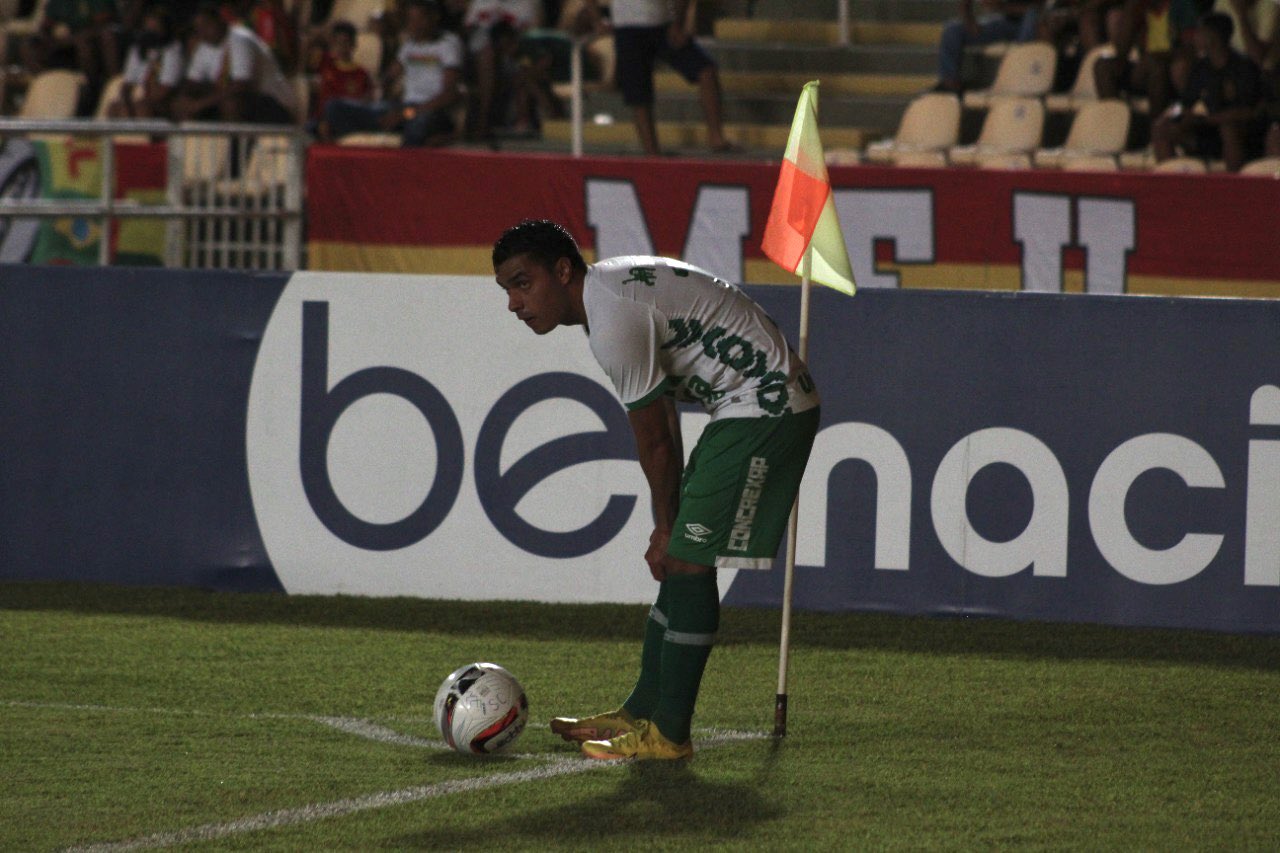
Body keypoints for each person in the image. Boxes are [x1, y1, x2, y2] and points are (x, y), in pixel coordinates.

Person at [492, 219, 821, 761]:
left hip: (765, 408)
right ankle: (643, 710)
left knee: (688, 561)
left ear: (563, 270)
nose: (514, 302)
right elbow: (664, 416)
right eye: (506, 289)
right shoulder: (609, 293)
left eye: (522, 283)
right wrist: (667, 523)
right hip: (744, 407)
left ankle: (670, 734)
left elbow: (657, 445)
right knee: (680, 560)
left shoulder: (612, 317)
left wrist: (666, 526)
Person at [579, 0, 736, 155]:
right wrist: (597, 21)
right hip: (628, 27)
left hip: (662, 23)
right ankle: (652, 152)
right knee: (638, 93)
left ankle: (716, 137)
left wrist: (678, 23)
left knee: (705, 70)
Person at [323, 0, 463, 147]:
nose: (412, 26)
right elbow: (388, 76)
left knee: (416, 126)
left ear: (434, 18)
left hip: (429, 111)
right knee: (335, 107)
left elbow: (449, 94)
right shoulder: (410, 45)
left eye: (418, 20)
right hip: (403, 108)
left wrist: (406, 114)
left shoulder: (448, 45)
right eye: (410, 20)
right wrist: (374, 93)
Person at [1152, 11, 1265, 170]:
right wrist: (1171, 114)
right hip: (1210, 130)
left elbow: (1250, 111)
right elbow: (1184, 103)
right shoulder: (1201, 68)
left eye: (1199, 32)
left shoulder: (1244, 67)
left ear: (1212, 37)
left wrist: (1212, 119)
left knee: (1228, 129)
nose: (1194, 37)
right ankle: (1171, 184)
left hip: (1244, 135)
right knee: (1161, 128)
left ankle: (1235, 188)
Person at [172, 1, 298, 123]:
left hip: (274, 105)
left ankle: (234, 144)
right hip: (245, 106)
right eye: (199, 29)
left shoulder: (240, 39)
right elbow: (192, 82)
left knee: (231, 102)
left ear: (220, 20)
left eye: (207, 25)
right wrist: (184, 99)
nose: (203, 32)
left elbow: (240, 86)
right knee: (183, 100)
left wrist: (198, 105)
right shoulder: (205, 47)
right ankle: (192, 143)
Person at [933, 0, 1044, 93]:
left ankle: (1021, 77)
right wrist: (969, 20)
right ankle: (950, 84)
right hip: (1004, 22)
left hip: (1036, 23)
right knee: (952, 30)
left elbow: (1042, 7)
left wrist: (1003, 7)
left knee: (1032, 16)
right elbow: (965, 4)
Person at [107, 5, 183, 119]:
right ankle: (122, 137)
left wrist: (141, 101)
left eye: (155, 28)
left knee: (142, 107)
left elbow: (164, 90)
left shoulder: (172, 50)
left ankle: (145, 136)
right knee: (115, 107)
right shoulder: (138, 48)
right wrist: (127, 103)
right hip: (139, 99)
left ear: (164, 29)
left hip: (166, 102)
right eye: (148, 27)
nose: (150, 32)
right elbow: (127, 84)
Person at [310, 20, 374, 140]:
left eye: (345, 43)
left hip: (346, 122)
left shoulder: (362, 74)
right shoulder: (325, 63)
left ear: (353, 45)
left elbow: (366, 103)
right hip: (321, 121)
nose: (341, 48)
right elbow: (310, 44)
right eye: (337, 43)